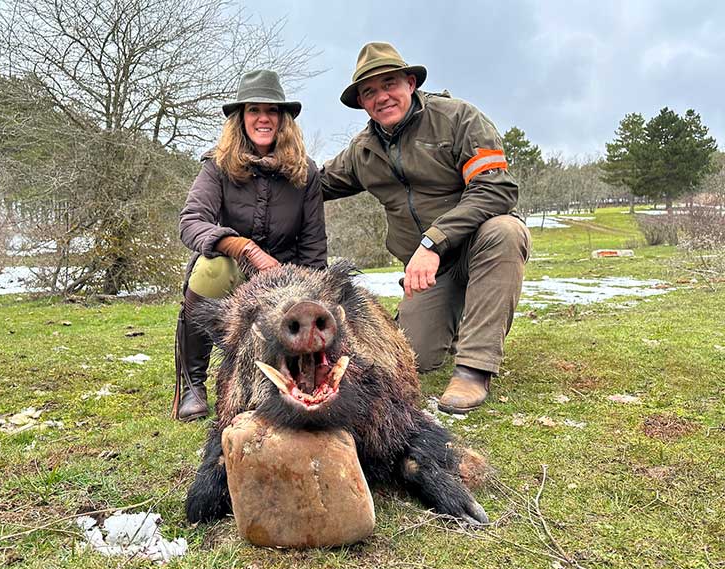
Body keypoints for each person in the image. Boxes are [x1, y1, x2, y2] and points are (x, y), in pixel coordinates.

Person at [321, 42, 530, 414]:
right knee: (412, 358)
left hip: (476, 246)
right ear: (362, 103)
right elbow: (312, 184)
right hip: (430, 275)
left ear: (411, 82)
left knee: (505, 232)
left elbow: (497, 188)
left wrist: (433, 242)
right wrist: (244, 162)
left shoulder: (458, 118)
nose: (381, 97)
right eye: (369, 92)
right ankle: (444, 324)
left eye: (390, 84)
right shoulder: (363, 151)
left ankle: (473, 369)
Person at [173, 69, 327, 421]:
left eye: (272, 111)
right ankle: (193, 384)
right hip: (232, 273)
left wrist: (311, 294)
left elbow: (314, 247)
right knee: (210, 268)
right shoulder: (217, 167)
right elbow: (191, 222)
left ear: (283, 119)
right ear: (240, 119)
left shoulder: (307, 173)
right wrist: (244, 248)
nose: (263, 118)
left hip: (285, 280)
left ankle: (298, 371)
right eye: (254, 110)